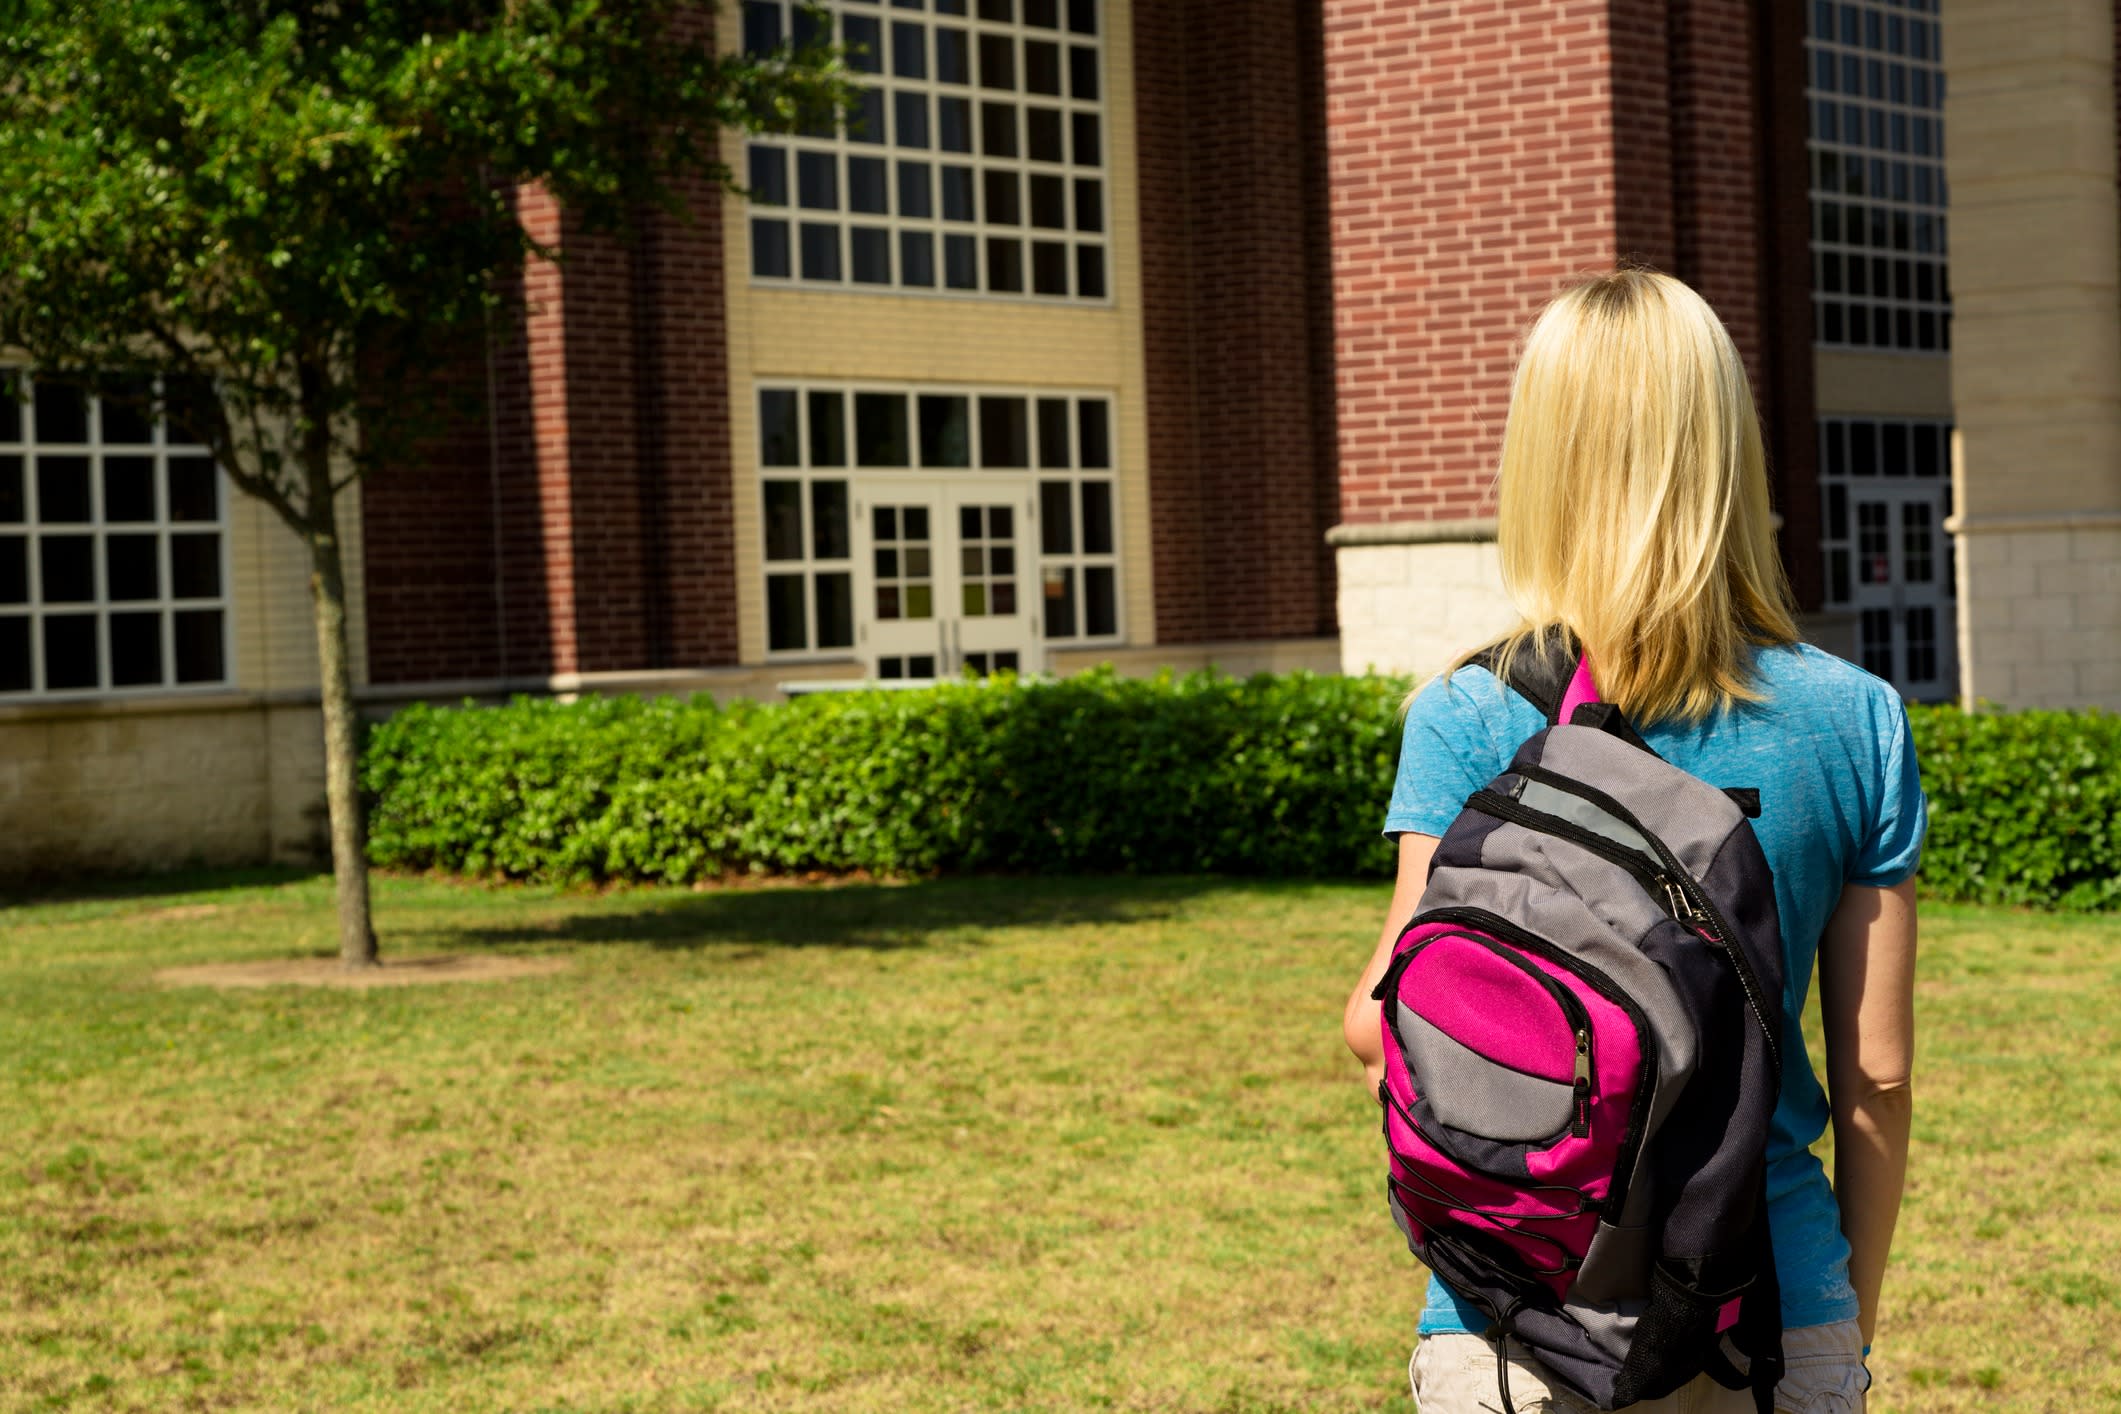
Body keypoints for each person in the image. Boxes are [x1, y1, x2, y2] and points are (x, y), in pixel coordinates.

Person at [1342, 269, 1923, 1413]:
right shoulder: (1856, 717)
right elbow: (1878, 1076)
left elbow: (1377, 1026)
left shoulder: (1468, 712)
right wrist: (1842, 1305)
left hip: (1517, 1314)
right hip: (1765, 1300)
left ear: (1540, 461)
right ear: (1728, 453)